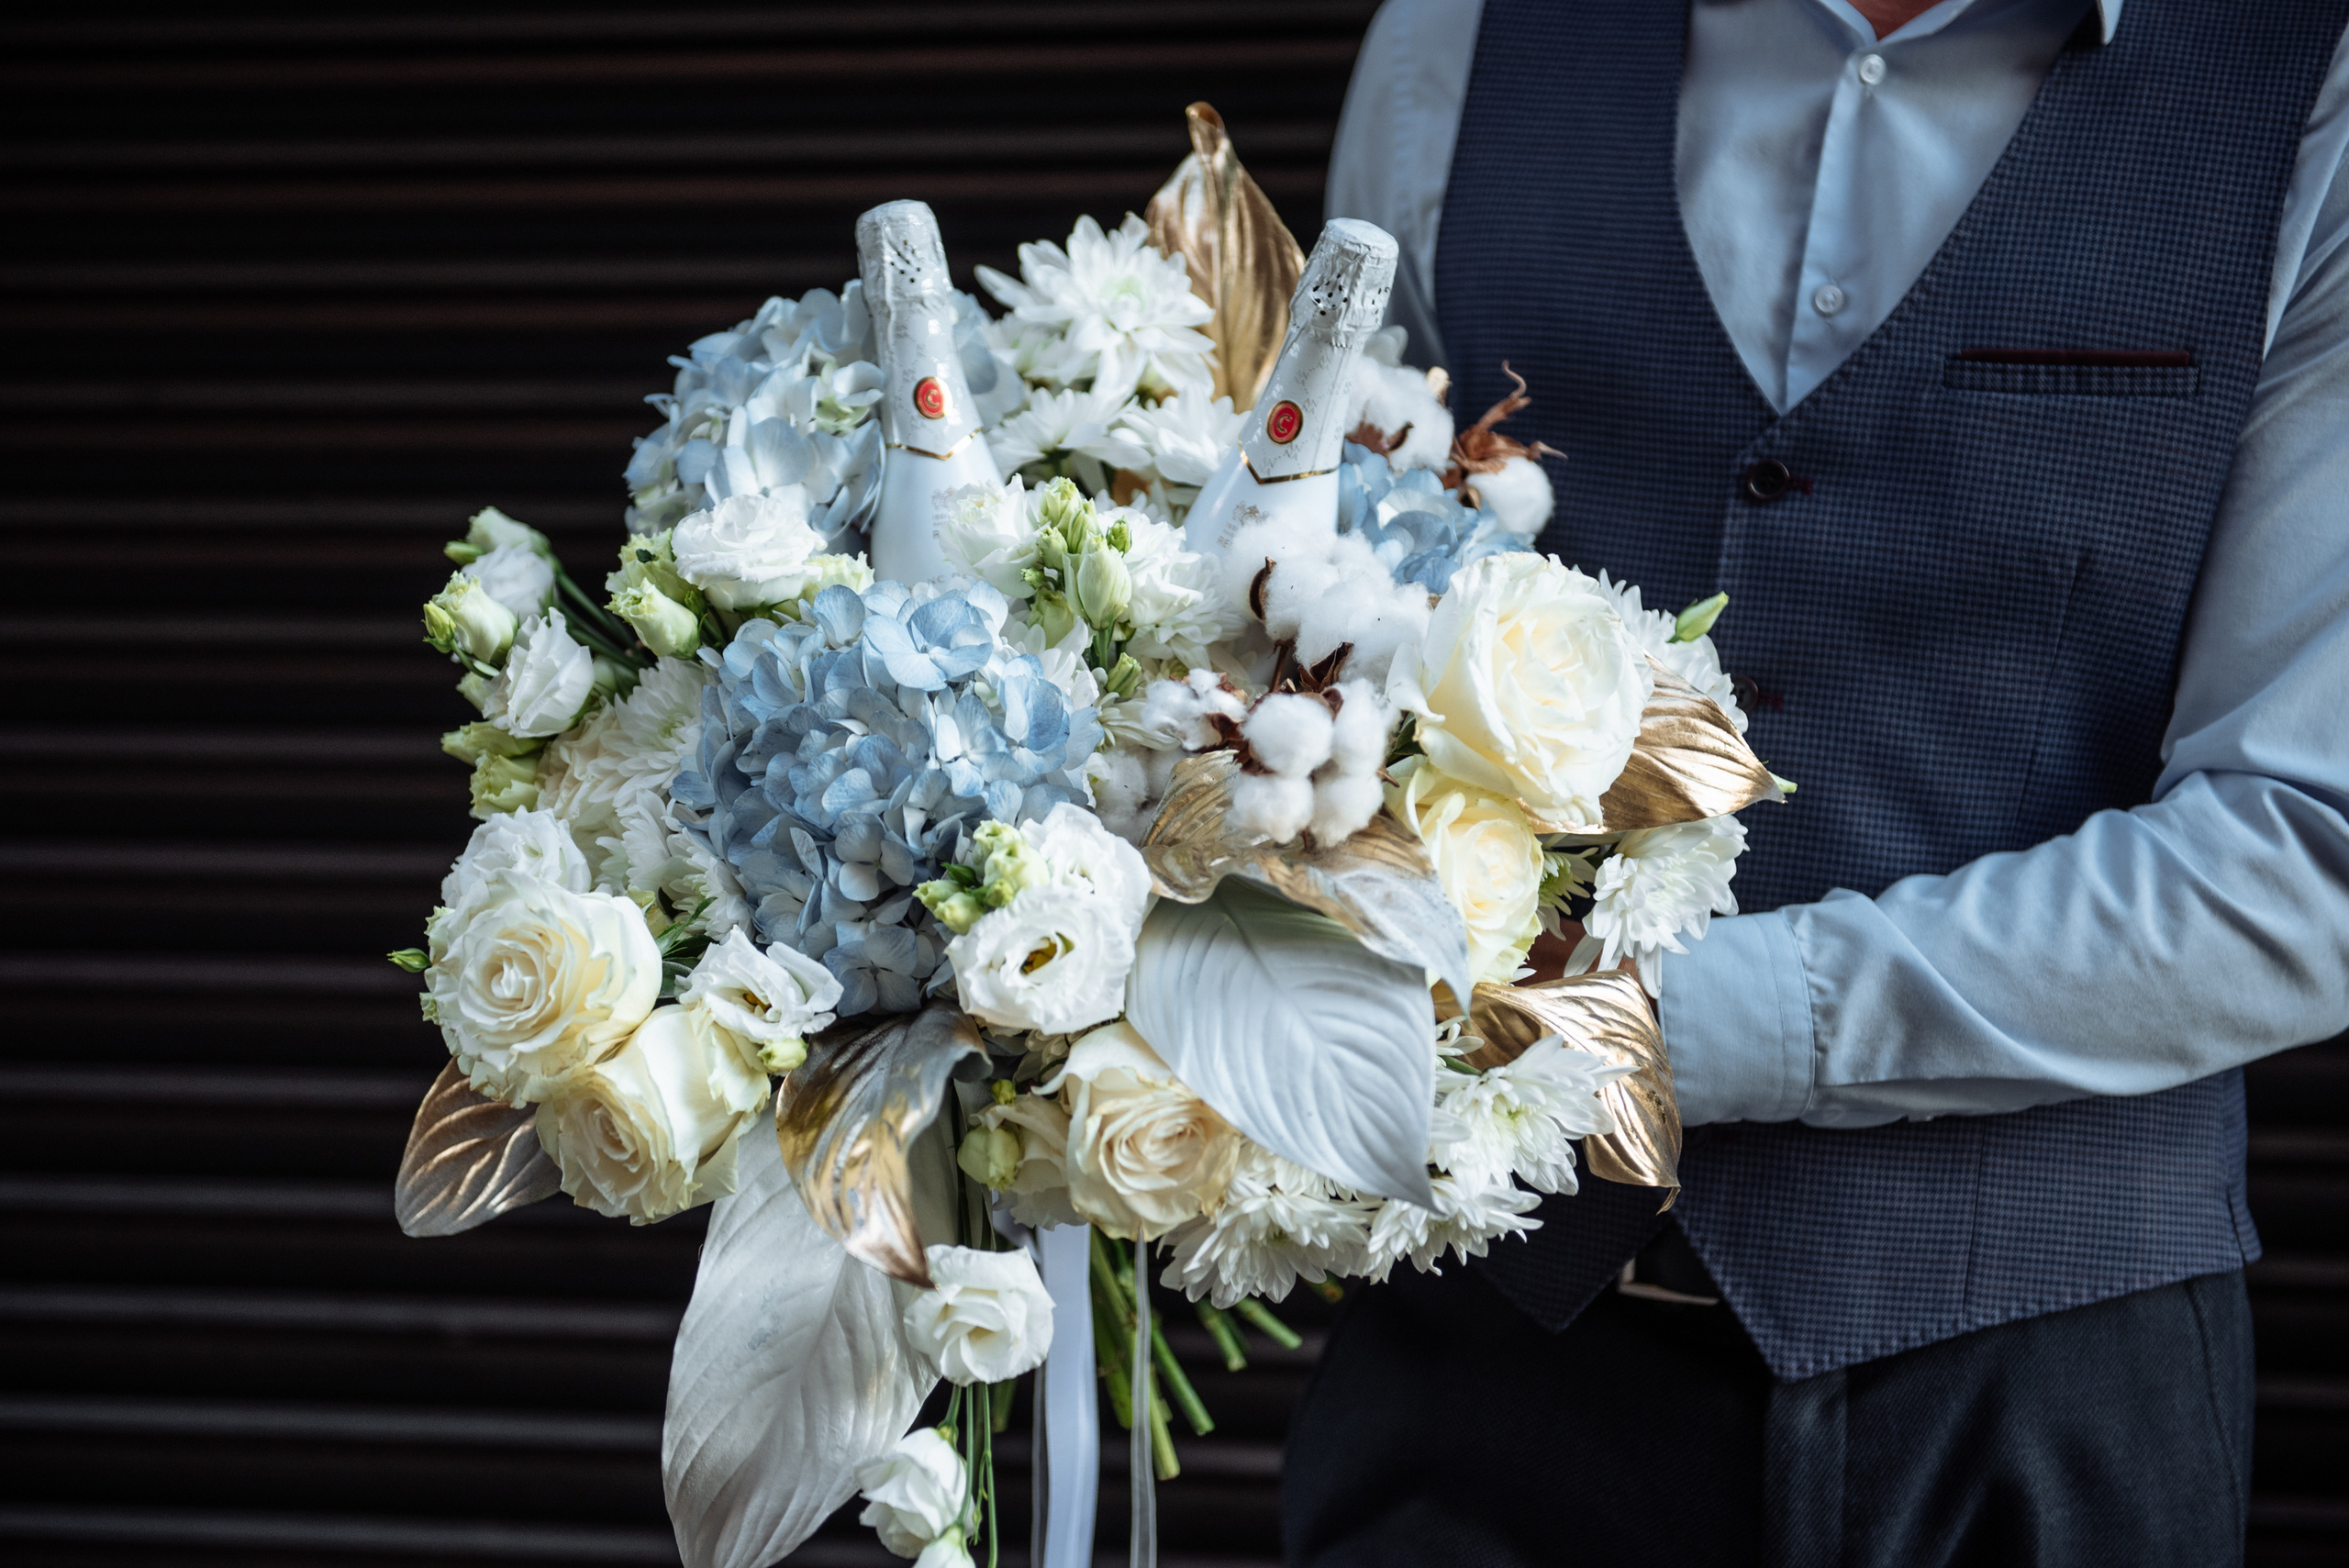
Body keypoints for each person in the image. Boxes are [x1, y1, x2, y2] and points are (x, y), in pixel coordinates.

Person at [1286, 1, 2349, 1563]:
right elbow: (1309, 629)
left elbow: (2309, 852)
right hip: (1481, 1363)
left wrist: (1661, 1025)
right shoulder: (1460, 37)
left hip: (2038, 1402)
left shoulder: (2303, 80)